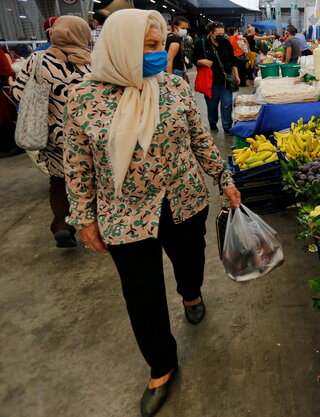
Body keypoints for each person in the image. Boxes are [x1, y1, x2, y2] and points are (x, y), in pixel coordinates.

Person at [63, 9, 241, 417]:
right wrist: (84, 218)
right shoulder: (84, 99)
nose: (159, 54)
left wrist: (223, 178)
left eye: (160, 45)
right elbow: (77, 166)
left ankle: (191, 292)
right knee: (141, 294)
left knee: (191, 260)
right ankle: (161, 366)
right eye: (150, 47)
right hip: (124, 214)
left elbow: (200, 139)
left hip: (183, 199)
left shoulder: (175, 89)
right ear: (120, 47)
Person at [11, 16, 91, 247]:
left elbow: (19, 94)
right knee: (92, 179)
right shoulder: (91, 61)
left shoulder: (37, 59)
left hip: (54, 136)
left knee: (59, 182)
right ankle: (96, 226)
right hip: (88, 135)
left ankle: (63, 225)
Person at [193, 21, 239, 135]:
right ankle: (212, 123)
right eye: (218, 34)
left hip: (226, 79)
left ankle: (227, 126)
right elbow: (194, 59)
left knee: (227, 103)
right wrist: (201, 61)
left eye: (222, 33)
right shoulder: (201, 44)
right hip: (210, 80)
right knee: (212, 104)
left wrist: (236, 75)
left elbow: (233, 60)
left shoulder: (226, 43)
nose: (221, 36)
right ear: (211, 34)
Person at [165, 16, 189, 80]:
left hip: (173, 70)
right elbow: (169, 59)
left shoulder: (168, 37)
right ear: (175, 27)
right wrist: (169, 78)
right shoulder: (175, 41)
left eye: (186, 28)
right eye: (183, 28)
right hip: (175, 72)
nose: (185, 31)